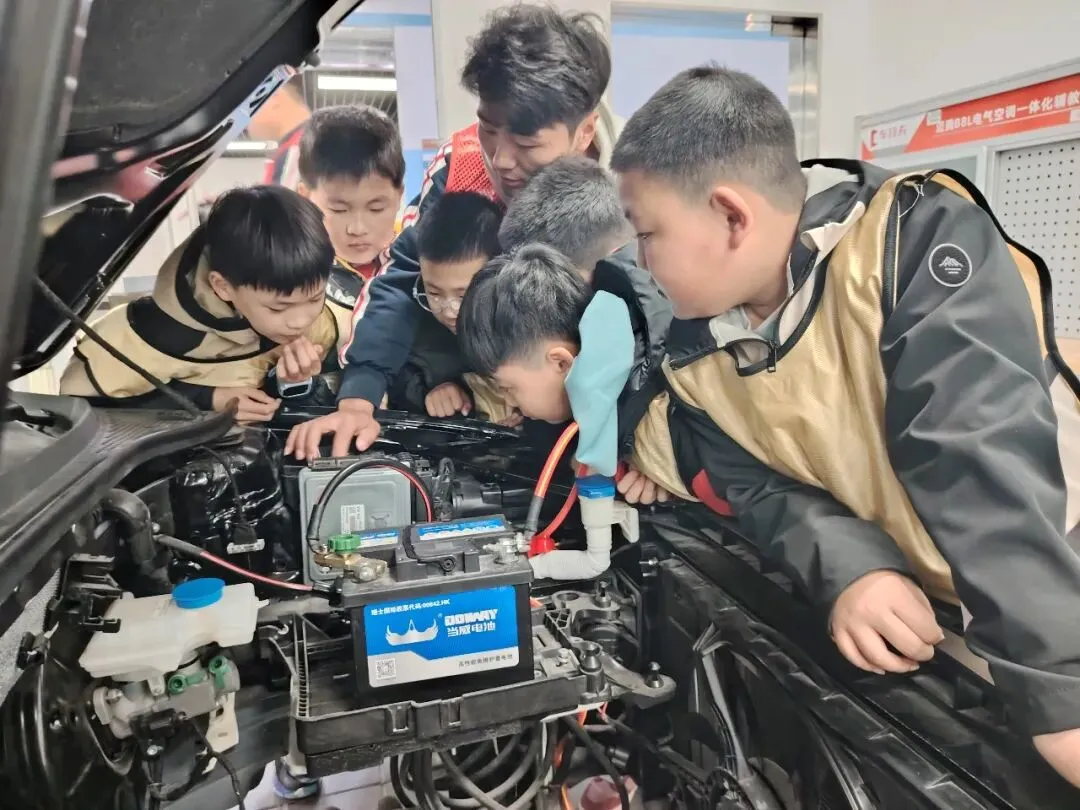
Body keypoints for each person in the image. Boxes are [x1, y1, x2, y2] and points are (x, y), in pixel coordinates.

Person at [609, 64, 1080, 786]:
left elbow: (974, 454)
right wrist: (852, 566)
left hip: (1050, 585)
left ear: (732, 216)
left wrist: (1060, 690)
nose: (643, 262)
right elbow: (760, 487)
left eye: (649, 234)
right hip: (950, 617)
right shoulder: (693, 361)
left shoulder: (907, 239)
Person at [285, 3, 621, 461]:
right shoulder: (459, 168)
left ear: (584, 132)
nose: (501, 160)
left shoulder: (622, 197)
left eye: (527, 143)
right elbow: (402, 279)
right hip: (470, 402)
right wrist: (359, 398)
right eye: (489, 129)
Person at [59, 185, 341, 423]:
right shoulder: (149, 334)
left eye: (315, 298)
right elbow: (86, 410)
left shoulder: (325, 316)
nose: (301, 321)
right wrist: (208, 400)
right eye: (278, 308)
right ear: (222, 287)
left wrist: (294, 384)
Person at [384, 190, 516, 425]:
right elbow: (400, 377)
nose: (448, 311)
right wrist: (430, 393)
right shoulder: (414, 324)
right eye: (434, 293)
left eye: (462, 295)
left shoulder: (524, 325)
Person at [296, 104, 405, 312]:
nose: (357, 229)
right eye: (339, 210)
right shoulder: (287, 272)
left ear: (399, 195)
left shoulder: (419, 264)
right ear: (305, 198)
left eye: (376, 208)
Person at [248, 74, 311, 188]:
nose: (245, 121)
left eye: (248, 106)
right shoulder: (303, 145)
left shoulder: (298, 151)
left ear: (273, 97)